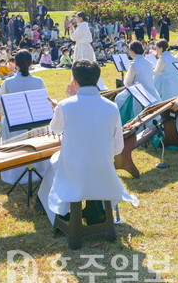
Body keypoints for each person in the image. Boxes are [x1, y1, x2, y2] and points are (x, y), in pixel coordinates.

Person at [37, 60, 139, 225]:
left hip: (74, 167)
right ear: (97, 79)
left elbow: (55, 129)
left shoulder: (65, 105)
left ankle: (59, 211)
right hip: (102, 165)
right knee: (85, 163)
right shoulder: (111, 106)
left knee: (55, 161)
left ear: (75, 81)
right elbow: (118, 146)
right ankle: (94, 208)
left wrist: (68, 99)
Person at [0, 50, 52, 185]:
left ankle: (14, 171)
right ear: (31, 63)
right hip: (36, 124)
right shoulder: (39, 81)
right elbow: (45, 104)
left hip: (16, 126)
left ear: (15, 64)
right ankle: (40, 169)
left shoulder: (8, 83)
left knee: (5, 123)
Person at [115, 41, 157, 124]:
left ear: (132, 51)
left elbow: (127, 83)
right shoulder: (149, 63)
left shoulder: (134, 64)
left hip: (138, 94)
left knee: (118, 99)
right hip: (151, 93)